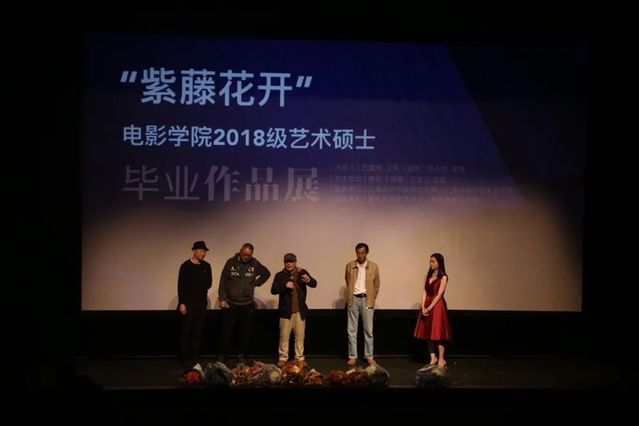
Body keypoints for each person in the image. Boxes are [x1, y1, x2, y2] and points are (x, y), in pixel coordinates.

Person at [217, 243, 271, 364]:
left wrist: (255, 284)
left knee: (244, 332)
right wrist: (222, 299)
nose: (246, 257)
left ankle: (240, 354)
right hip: (230, 303)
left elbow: (266, 273)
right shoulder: (230, 262)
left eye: (249, 255)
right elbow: (223, 281)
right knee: (226, 331)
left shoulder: (255, 263)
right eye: (244, 254)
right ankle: (222, 354)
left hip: (246, 305)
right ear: (240, 251)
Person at [270, 253, 317, 367]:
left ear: (295, 262)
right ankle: (283, 358)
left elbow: (314, 284)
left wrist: (309, 280)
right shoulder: (280, 275)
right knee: (284, 337)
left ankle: (299, 358)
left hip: (300, 311)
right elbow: (273, 290)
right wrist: (285, 286)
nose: (289, 264)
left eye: (291, 261)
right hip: (285, 311)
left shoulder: (302, 272)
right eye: (287, 262)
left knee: (300, 337)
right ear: (284, 263)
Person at [177, 240, 212, 373]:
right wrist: (182, 303)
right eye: (201, 251)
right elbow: (181, 285)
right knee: (186, 331)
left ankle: (195, 357)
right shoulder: (185, 266)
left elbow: (209, 283)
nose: (203, 254)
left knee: (198, 331)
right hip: (188, 304)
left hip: (201, 304)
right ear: (195, 251)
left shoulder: (206, 266)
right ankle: (185, 358)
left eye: (205, 252)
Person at [413, 252, 452, 368]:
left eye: (433, 261)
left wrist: (429, 308)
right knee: (428, 333)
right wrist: (423, 307)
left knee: (438, 334)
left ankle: (441, 359)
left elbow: (439, 295)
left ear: (439, 263)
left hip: (437, 306)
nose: (431, 263)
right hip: (427, 305)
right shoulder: (428, 276)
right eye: (430, 261)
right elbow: (424, 291)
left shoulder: (443, 277)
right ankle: (433, 357)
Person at [344, 242, 381, 366]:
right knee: (351, 330)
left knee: (368, 330)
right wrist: (351, 295)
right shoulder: (350, 266)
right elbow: (347, 280)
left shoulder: (373, 266)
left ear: (366, 253)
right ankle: (352, 356)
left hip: (367, 299)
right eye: (358, 253)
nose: (360, 255)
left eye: (362, 253)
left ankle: (369, 356)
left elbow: (377, 284)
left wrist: (372, 298)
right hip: (353, 299)